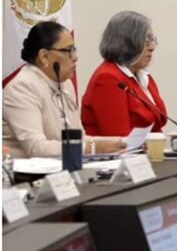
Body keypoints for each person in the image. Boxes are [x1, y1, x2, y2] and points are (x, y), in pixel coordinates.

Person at [2, 22, 124, 158]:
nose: (75, 57)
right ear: (44, 56)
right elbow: (36, 148)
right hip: (25, 170)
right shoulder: (21, 88)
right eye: (68, 50)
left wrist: (121, 143)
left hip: (63, 167)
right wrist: (92, 148)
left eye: (74, 49)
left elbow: (79, 139)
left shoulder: (65, 83)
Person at [81, 11, 169, 136]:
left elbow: (157, 126)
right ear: (126, 42)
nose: (151, 47)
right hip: (122, 149)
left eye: (152, 39)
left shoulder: (143, 77)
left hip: (145, 148)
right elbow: (118, 138)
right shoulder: (107, 78)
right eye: (146, 40)